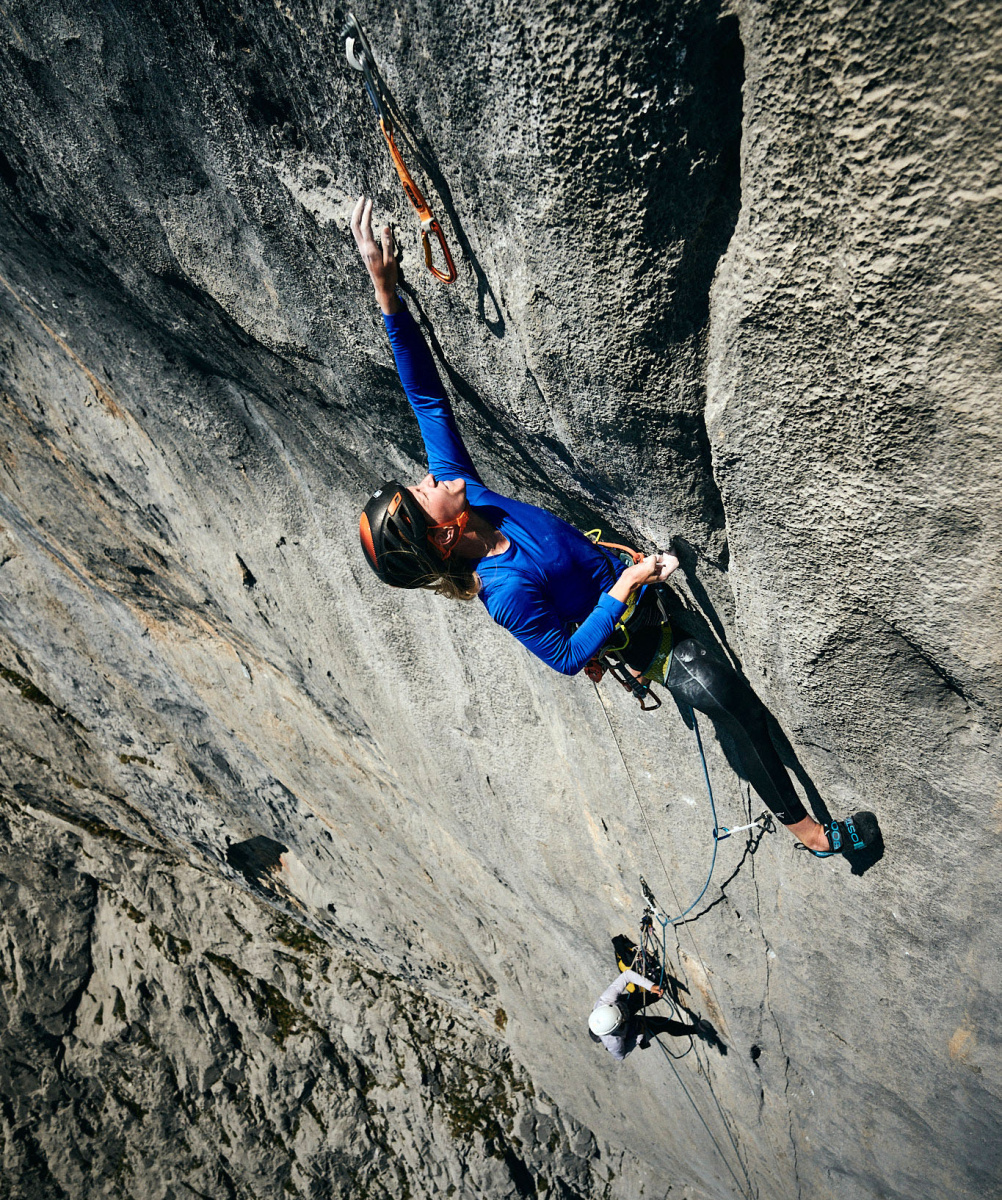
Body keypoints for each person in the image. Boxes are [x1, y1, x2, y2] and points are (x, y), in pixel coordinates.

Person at [350, 196, 878, 858]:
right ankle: (814, 834)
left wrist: (385, 289)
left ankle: (806, 824)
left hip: (631, 580)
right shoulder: (505, 593)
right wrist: (627, 584)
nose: (430, 479)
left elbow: (426, 396)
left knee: (725, 692)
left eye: (423, 481)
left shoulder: (470, 497)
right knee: (721, 695)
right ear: (443, 537)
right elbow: (571, 657)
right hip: (639, 634)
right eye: (424, 494)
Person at [588, 967, 709, 1061]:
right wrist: (637, 1038)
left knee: (652, 995)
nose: (624, 1013)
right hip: (634, 1030)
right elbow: (621, 1056)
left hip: (623, 1004)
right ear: (617, 1024)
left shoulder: (605, 1000)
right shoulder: (614, 1043)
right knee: (663, 1023)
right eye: (622, 1015)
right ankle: (694, 1029)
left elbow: (627, 975)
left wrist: (650, 986)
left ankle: (656, 986)